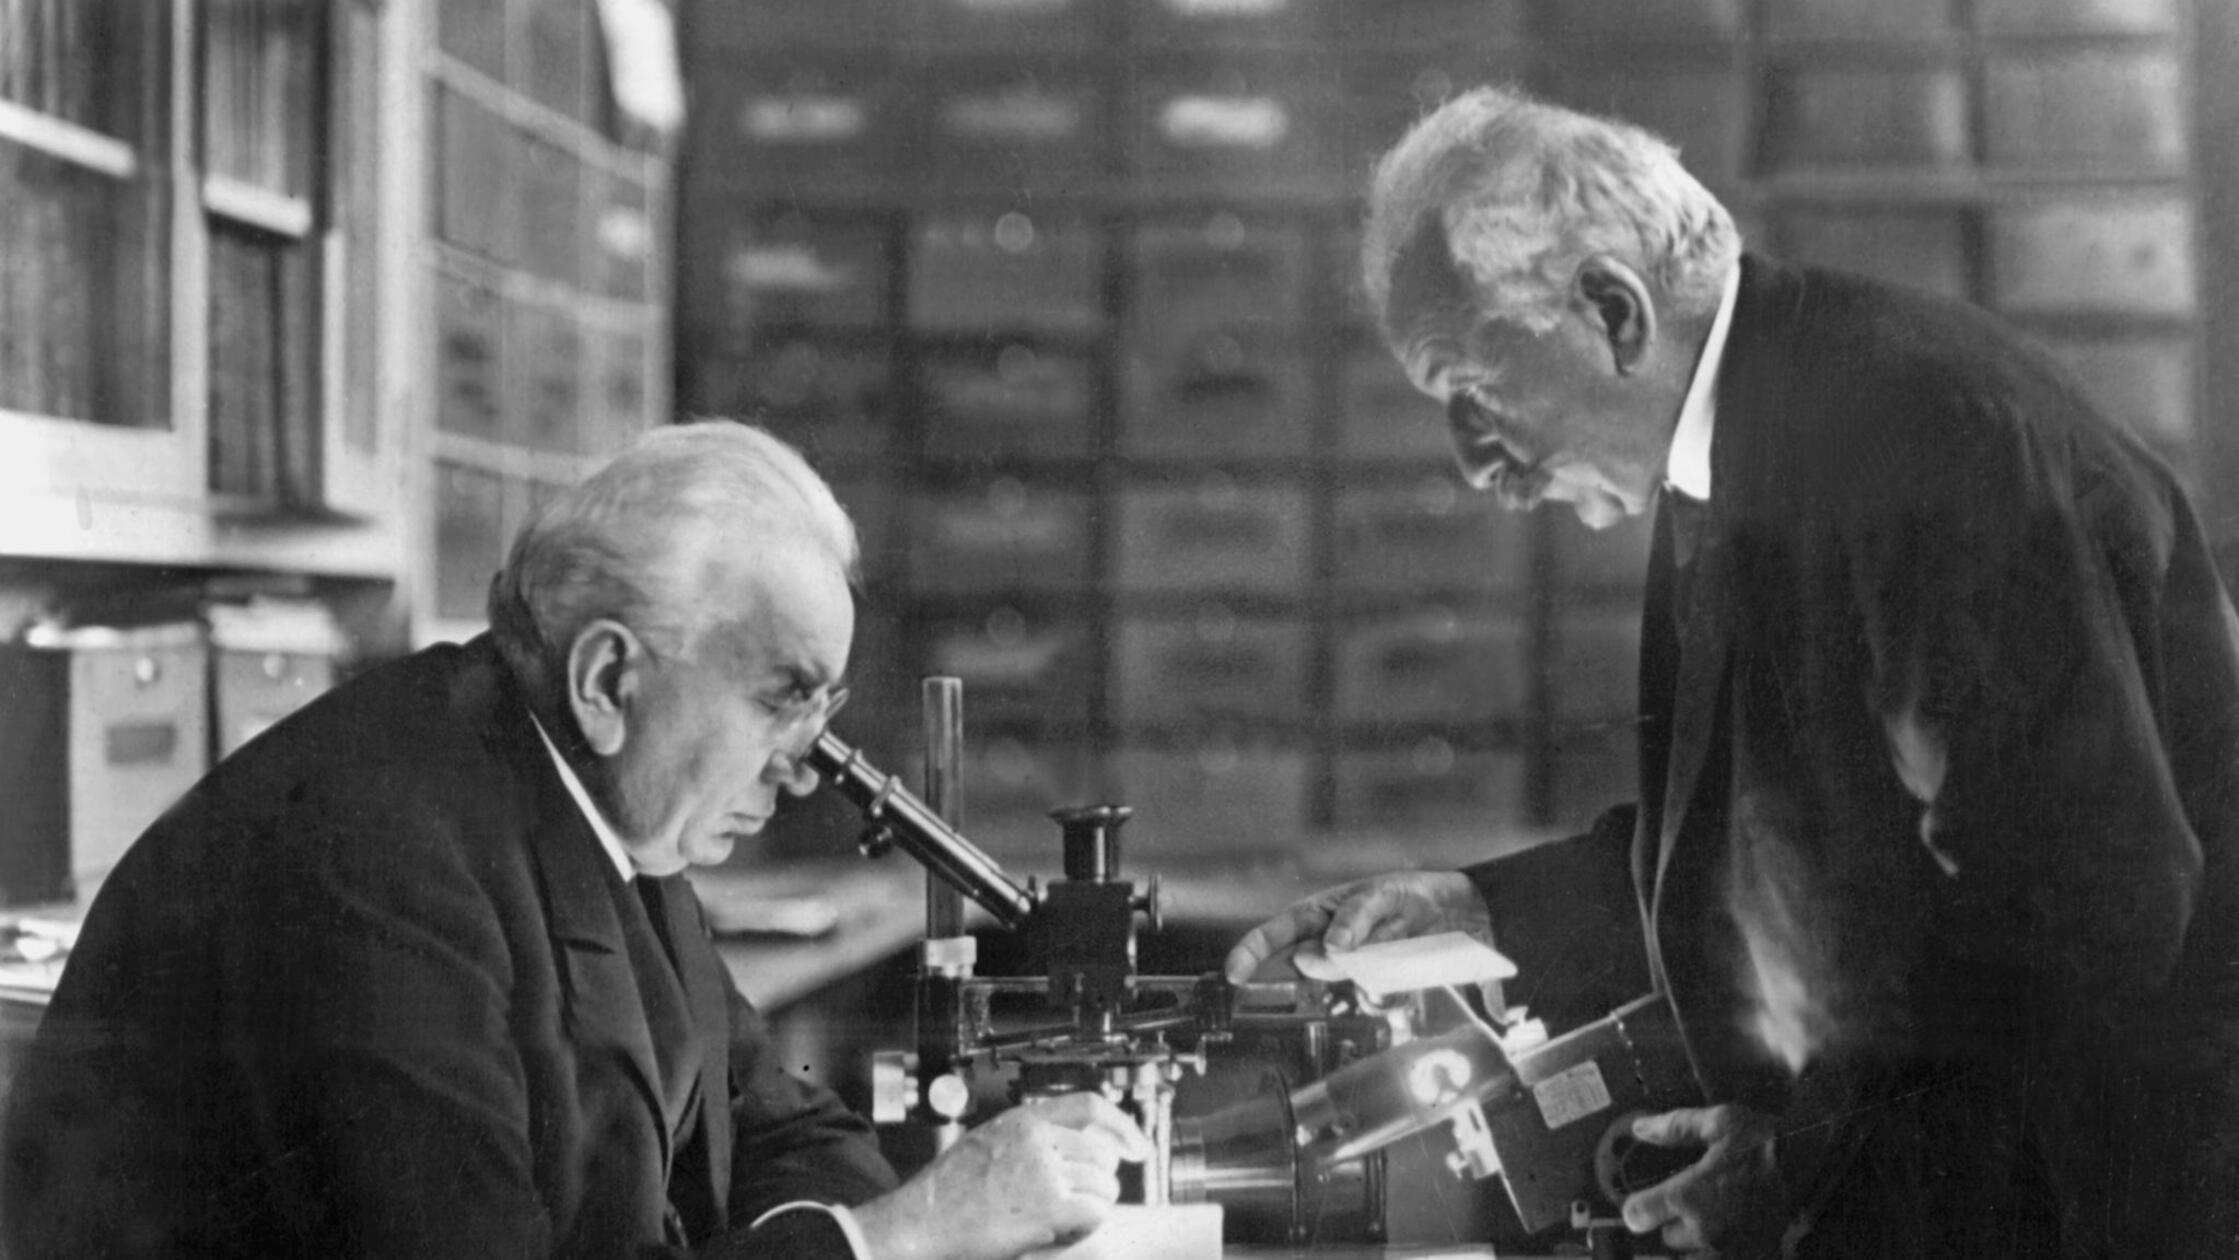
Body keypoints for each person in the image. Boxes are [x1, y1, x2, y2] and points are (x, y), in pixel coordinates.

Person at [1225, 86, 2239, 1258]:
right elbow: (1763, 837)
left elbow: (2081, 902)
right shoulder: (1747, 436)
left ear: (1612, 311)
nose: (1476, 467)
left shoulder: (1921, 434)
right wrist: (1480, 910)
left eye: (1474, 393)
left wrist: (1801, 1166)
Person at [1, 421, 1148, 1260]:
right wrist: (905, 1233)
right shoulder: (367, 861)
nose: (803, 771)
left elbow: (790, 1129)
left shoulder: (600, 810)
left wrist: (845, 1232)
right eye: (779, 701)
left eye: (820, 715)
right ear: (608, 679)